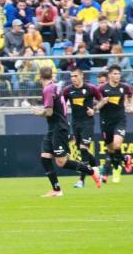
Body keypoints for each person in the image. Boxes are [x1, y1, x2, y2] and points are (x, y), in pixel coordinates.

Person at [33, 67, 101, 197]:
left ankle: (91, 171)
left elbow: (49, 112)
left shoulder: (48, 89)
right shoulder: (56, 87)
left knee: (61, 162)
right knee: (45, 157)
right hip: (54, 128)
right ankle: (56, 190)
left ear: (40, 77)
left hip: (59, 128)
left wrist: (38, 112)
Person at [62, 68, 103, 189]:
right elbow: (62, 104)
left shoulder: (91, 88)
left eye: (75, 76)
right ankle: (96, 167)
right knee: (82, 150)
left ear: (82, 76)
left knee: (83, 148)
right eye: (71, 76)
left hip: (87, 123)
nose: (73, 78)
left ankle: (81, 180)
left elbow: (102, 100)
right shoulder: (68, 90)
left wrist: (94, 110)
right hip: (75, 123)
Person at [95, 65, 133, 183]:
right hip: (106, 122)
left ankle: (110, 171)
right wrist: (102, 102)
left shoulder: (124, 87)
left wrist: (132, 106)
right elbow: (97, 104)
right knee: (111, 149)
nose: (117, 76)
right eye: (114, 74)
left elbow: (132, 94)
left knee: (117, 145)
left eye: (118, 74)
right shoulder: (102, 89)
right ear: (109, 75)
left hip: (119, 121)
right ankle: (125, 158)